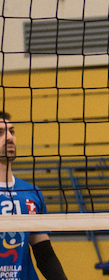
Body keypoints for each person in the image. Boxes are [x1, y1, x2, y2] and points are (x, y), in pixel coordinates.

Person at [0, 112, 68, 280]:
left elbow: (44, 254)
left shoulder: (31, 192)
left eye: (12, 132)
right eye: (0, 133)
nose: (9, 138)